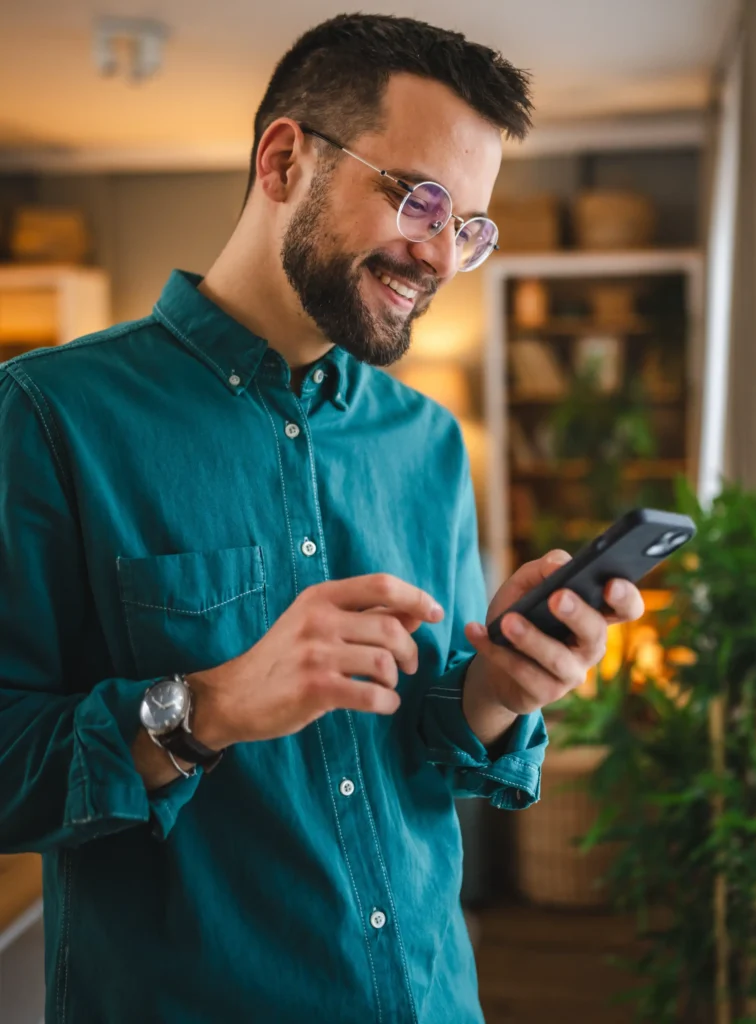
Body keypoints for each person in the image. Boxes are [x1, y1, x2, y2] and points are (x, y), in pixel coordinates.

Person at [0, 13, 643, 1024]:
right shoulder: (47, 415)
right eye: (419, 199)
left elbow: (430, 735)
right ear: (284, 158)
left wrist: (499, 685)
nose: (436, 255)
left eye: (466, 226)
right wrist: (213, 704)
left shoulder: (426, 442)